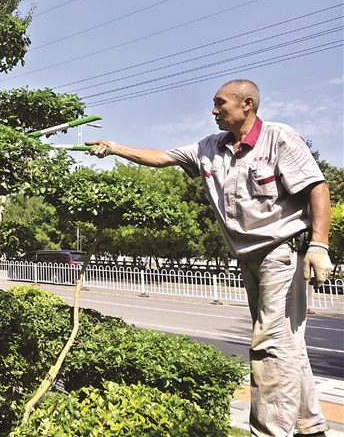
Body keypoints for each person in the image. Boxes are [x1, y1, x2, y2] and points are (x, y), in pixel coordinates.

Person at [87, 79, 333, 437]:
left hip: (280, 253)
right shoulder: (208, 147)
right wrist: (114, 148)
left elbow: (317, 187)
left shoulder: (279, 138)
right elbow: (161, 157)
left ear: (247, 104)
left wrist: (319, 245)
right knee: (286, 343)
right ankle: (311, 428)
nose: (214, 110)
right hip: (249, 258)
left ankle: (270, 432)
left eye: (220, 103)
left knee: (271, 346)